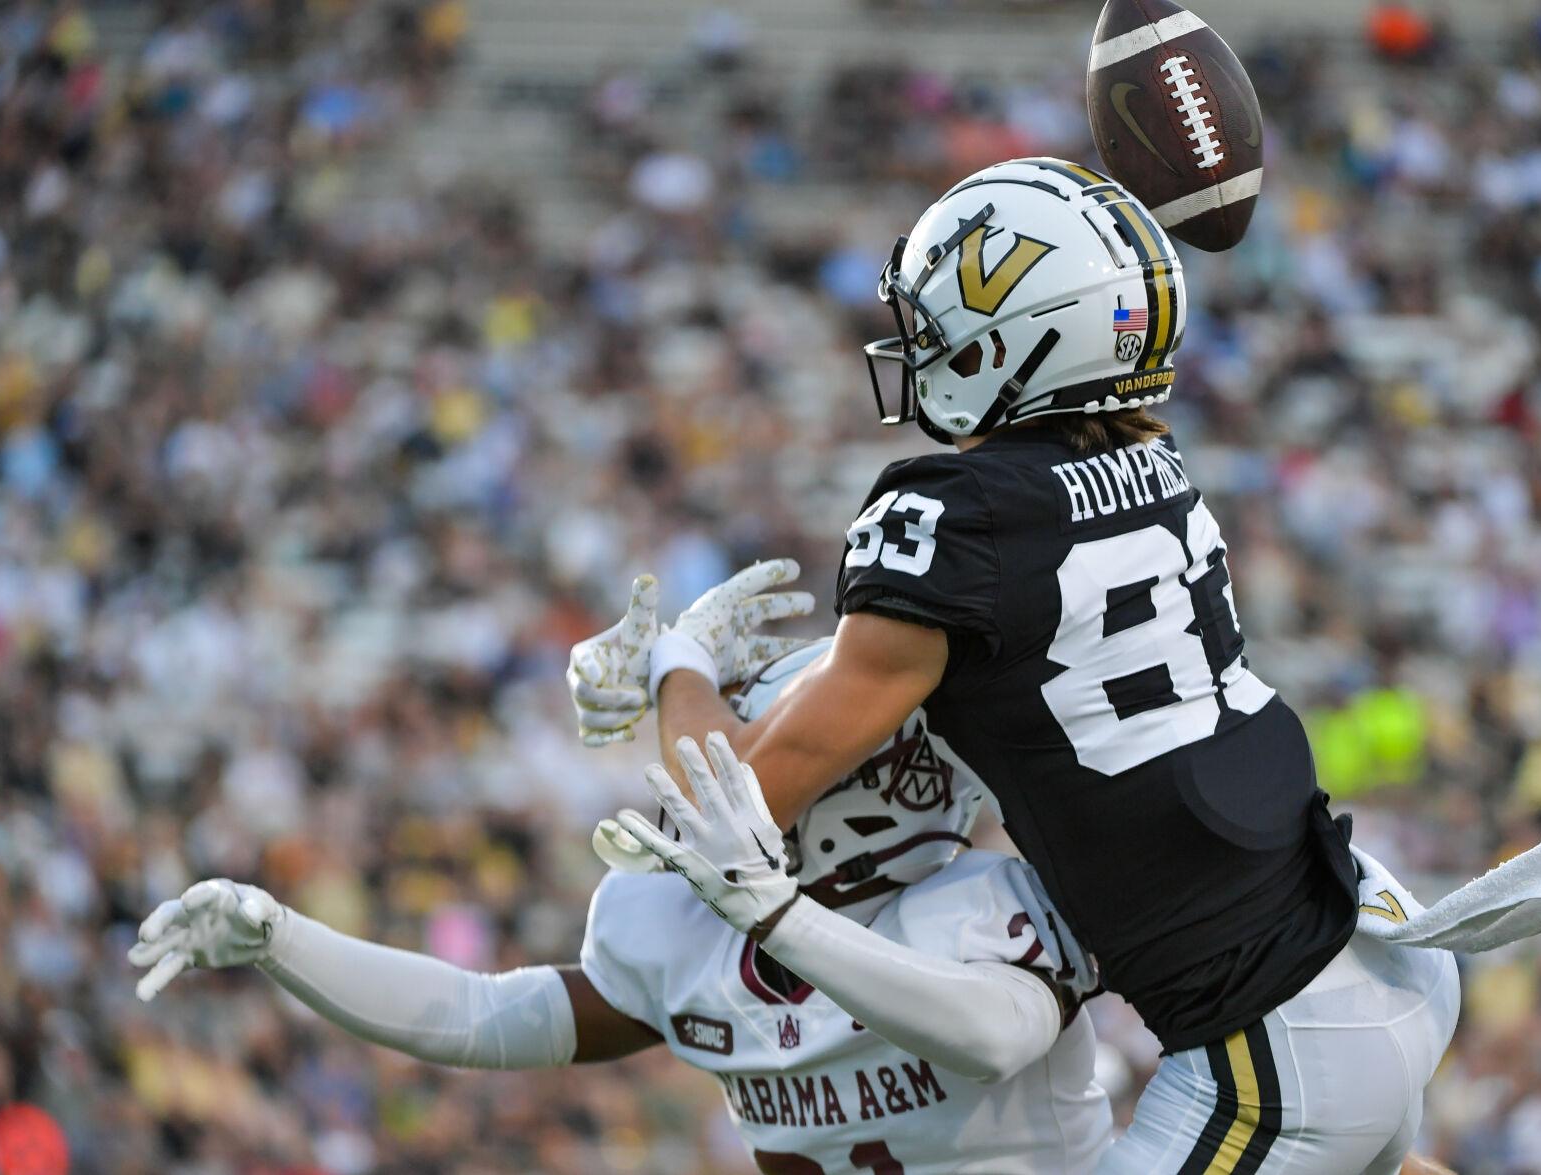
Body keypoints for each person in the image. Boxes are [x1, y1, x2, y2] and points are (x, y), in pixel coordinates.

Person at [568, 158, 1456, 1173]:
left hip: (1269, 1035)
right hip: (1364, 948)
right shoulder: (1151, 469)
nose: (918, 343)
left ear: (1022, 336)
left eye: (938, 320)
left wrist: (677, 662)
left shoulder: (949, 518)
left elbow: (733, 804)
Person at [131, 642, 1113, 1175]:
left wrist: (774, 912)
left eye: (758, 749)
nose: (723, 771)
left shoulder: (983, 905)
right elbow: (481, 1015)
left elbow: (991, 1031)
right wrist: (281, 937)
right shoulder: (690, 937)